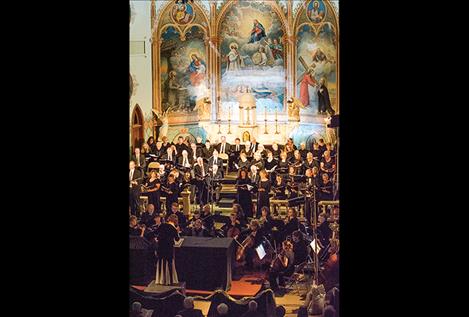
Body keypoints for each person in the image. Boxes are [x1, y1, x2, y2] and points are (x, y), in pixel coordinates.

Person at [155, 214, 180, 285]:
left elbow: (156, 233)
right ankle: (170, 280)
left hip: (161, 247)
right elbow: (177, 239)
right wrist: (177, 232)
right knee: (169, 263)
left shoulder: (162, 225)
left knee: (161, 262)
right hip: (169, 249)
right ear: (175, 221)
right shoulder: (173, 229)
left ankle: (160, 279)